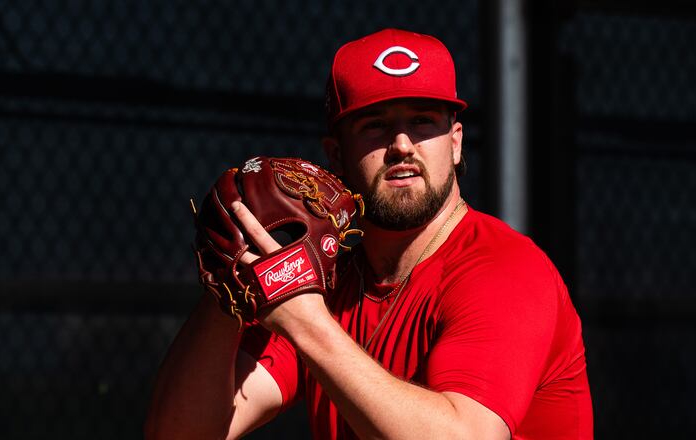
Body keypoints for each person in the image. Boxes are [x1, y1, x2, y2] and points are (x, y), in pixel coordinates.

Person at [145, 28, 593, 439]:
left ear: (455, 142)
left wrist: (304, 321)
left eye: (422, 121)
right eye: (376, 125)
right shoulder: (328, 283)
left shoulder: (504, 269)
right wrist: (228, 286)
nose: (401, 145)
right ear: (336, 156)